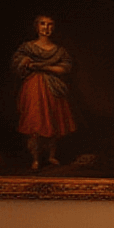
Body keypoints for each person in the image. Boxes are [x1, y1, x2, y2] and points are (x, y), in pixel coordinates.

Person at [12, 15, 77, 169]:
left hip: (53, 88)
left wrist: (41, 66)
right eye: (42, 24)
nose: (46, 28)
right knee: (35, 122)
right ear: (36, 27)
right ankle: (35, 158)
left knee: (53, 122)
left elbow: (65, 68)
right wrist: (25, 63)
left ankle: (51, 156)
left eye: (49, 24)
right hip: (33, 87)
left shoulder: (59, 51)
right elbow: (17, 64)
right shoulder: (27, 47)